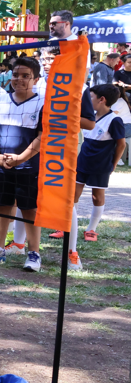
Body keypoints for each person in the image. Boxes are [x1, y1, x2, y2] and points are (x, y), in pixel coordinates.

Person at [0, 56, 44, 271]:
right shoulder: (0, 100)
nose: (19, 79)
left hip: (28, 166)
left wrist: (21, 158)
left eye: (26, 76)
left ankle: (34, 253)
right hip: (0, 165)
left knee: (29, 209)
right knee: (2, 206)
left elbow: (43, 136)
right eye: (16, 75)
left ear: (35, 79)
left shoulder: (43, 103)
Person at [64, 85, 126, 271]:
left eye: (90, 97)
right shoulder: (87, 117)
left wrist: (113, 164)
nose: (87, 100)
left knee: (96, 196)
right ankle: (67, 226)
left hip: (101, 165)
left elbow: (121, 144)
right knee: (72, 195)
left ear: (102, 100)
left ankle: (91, 228)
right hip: (82, 161)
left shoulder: (114, 120)